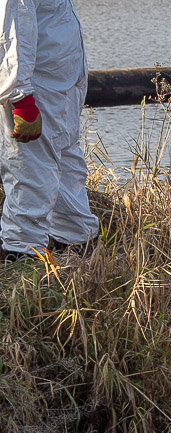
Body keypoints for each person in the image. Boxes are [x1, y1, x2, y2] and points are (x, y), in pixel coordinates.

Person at [0, 0, 99, 261]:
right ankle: (22, 255)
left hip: (58, 91)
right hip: (37, 92)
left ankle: (76, 245)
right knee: (30, 172)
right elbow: (11, 32)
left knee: (67, 166)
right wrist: (21, 98)